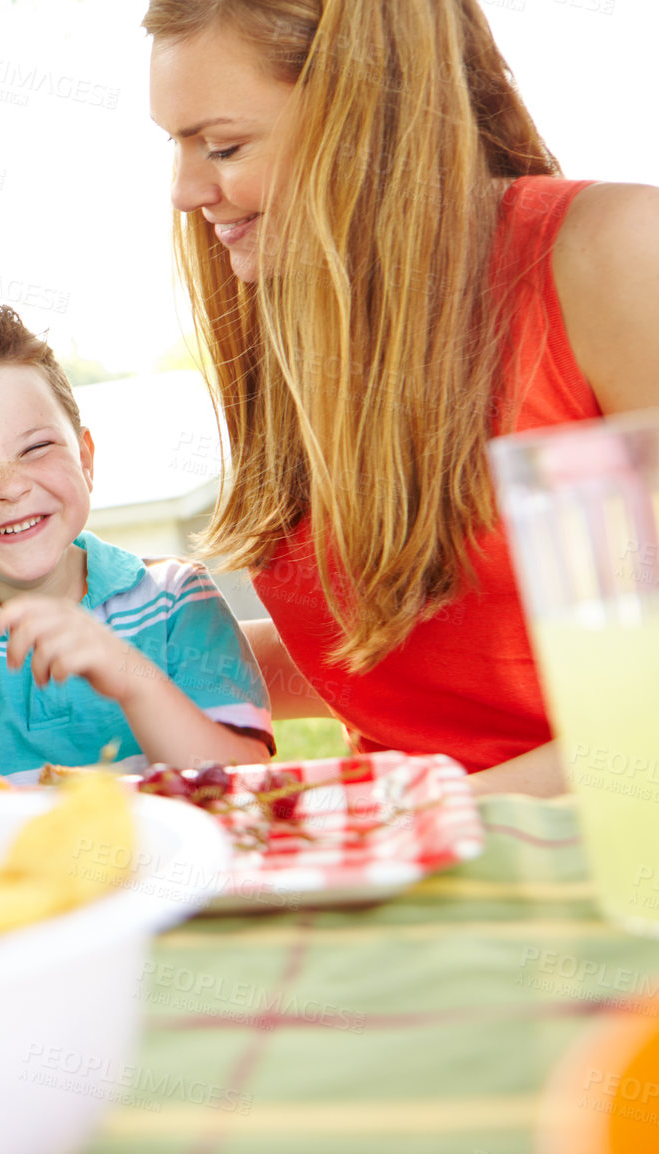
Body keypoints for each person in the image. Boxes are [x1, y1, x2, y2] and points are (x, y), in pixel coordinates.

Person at [144, 0, 659, 796]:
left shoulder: (617, 255)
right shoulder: (294, 320)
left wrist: (402, 818)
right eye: (176, 148)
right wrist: (133, 656)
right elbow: (416, 670)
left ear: (369, 112)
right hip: (404, 877)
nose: (184, 190)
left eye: (223, 145)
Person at [0, 306, 272, 791]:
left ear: (86, 459)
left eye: (35, 448)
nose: (9, 487)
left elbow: (247, 787)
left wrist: (134, 681)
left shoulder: (178, 597)